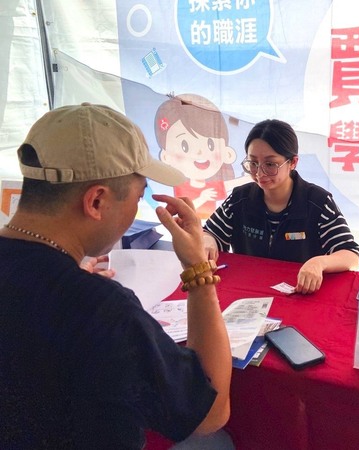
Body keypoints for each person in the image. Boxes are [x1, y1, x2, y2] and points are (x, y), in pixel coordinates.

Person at [0, 103, 232, 448]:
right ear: (96, 201)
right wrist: (199, 272)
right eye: (139, 196)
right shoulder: (101, 310)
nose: (137, 209)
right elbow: (210, 413)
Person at [203, 119, 359, 294]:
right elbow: (209, 233)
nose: (260, 173)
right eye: (253, 163)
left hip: (300, 294)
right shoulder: (240, 199)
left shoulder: (318, 203)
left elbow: (351, 254)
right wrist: (208, 240)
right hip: (247, 291)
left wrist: (318, 263)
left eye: (270, 164)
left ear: (293, 162)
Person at [155, 94, 250, 219]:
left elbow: (229, 185)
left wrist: (251, 176)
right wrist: (202, 197)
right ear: (166, 157)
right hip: (187, 223)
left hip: (209, 225)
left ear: (227, 153)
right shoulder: (181, 185)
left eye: (210, 144)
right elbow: (182, 208)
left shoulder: (211, 187)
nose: (199, 152)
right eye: (185, 146)